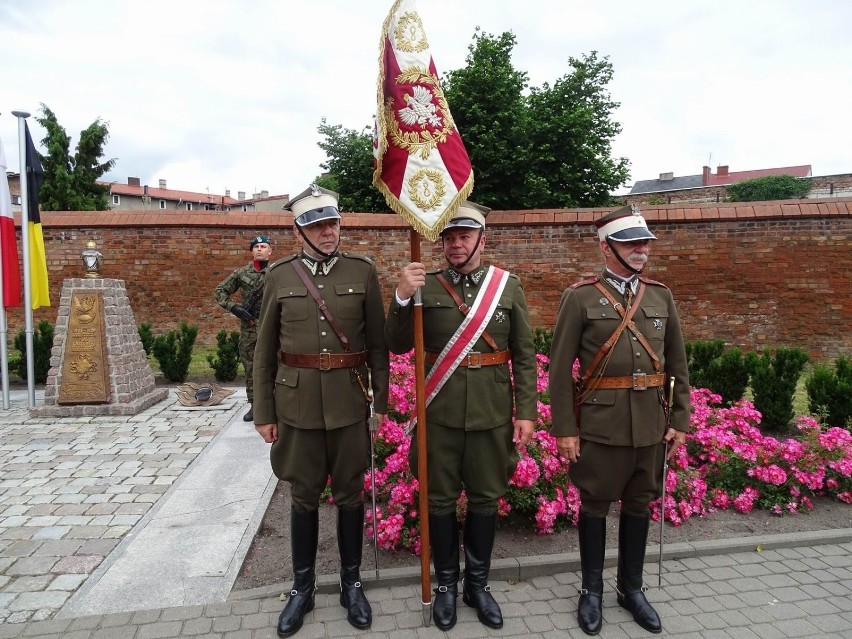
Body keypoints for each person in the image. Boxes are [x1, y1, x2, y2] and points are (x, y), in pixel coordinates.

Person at [384, 201, 537, 631]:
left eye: (464, 236)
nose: (455, 244)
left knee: (486, 498)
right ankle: (447, 585)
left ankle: (478, 585)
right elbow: (396, 345)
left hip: (491, 413)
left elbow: (524, 357)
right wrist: (400, 296)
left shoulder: (507, 287)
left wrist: (525, 411)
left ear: (481, 240)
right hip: (441, 413)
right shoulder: (424, 285)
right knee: (439, 500)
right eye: (448, 237)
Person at [252, 184, 389, 638]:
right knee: (303, 495)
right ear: (299, 231)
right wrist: (264, 411)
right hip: (298, 404)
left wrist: (382, 404)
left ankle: (352, 583)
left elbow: (378, 346)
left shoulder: (362, 271)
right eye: (316, 224)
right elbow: (264, 352)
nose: (328, 231)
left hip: (349, 403)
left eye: (332, 222)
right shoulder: (280, 276)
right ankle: (302, 588)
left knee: (350, 495)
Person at [548, 204, 691, 636]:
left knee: (639, 503)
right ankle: (590, 591)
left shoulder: (660, 296)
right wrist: (566, 431)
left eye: (645, 242)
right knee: (594, 504)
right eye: (632, 242)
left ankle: (631, 589)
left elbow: (677, 365)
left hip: (650, 421)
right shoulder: (580, 297)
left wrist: (680, 419)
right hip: (600, 423)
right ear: (607, 245)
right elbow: (558, 369)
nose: (642, 249)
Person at [214, 234, 272, 422]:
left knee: (277, 365)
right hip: (250, 327)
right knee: (251, 367)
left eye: (263, 246)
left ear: (270, 250)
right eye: (256, 247)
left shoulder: (277, 272)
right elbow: (220, 291)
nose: (260, 249)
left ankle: (276, 404)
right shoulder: (241, 273)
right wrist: (235, 308)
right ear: (252, 251)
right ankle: (255, 405)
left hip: (273, 327)